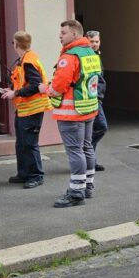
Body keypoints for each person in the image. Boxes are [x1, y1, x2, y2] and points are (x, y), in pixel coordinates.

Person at [42, 20, 102, 208]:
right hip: (89, 108)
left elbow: (59, 86)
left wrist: (46, 89)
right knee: (87, 147)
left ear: (74, 34)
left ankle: (76, 193)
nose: (60, 36)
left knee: (75, 151)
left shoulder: (69, 57)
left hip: (71, 113)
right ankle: (87, 187)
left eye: (63, 33)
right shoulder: (91, 53)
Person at [1, 31, 52, 189]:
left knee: (29, 143)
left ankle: (36, 176)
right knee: (22, 143)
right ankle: (23, 173)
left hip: (32, 109)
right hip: (24, 108)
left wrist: (15, 93)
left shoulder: (28, 61)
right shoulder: (25, 59)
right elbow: (24, 82)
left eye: (13, 43)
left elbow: (35, 85)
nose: (13, 45)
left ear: (17, 44)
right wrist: (12, 90)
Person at [85, 30, 108, 171]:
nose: (94, 44)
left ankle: (90, 160)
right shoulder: (87, 57)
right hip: (92, 98)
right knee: (101, 126)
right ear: (86, 40)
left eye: (97, 41)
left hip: (96, 97)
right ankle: (87, 156)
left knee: (95, 128)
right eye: (92, 41)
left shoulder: (96, 55)